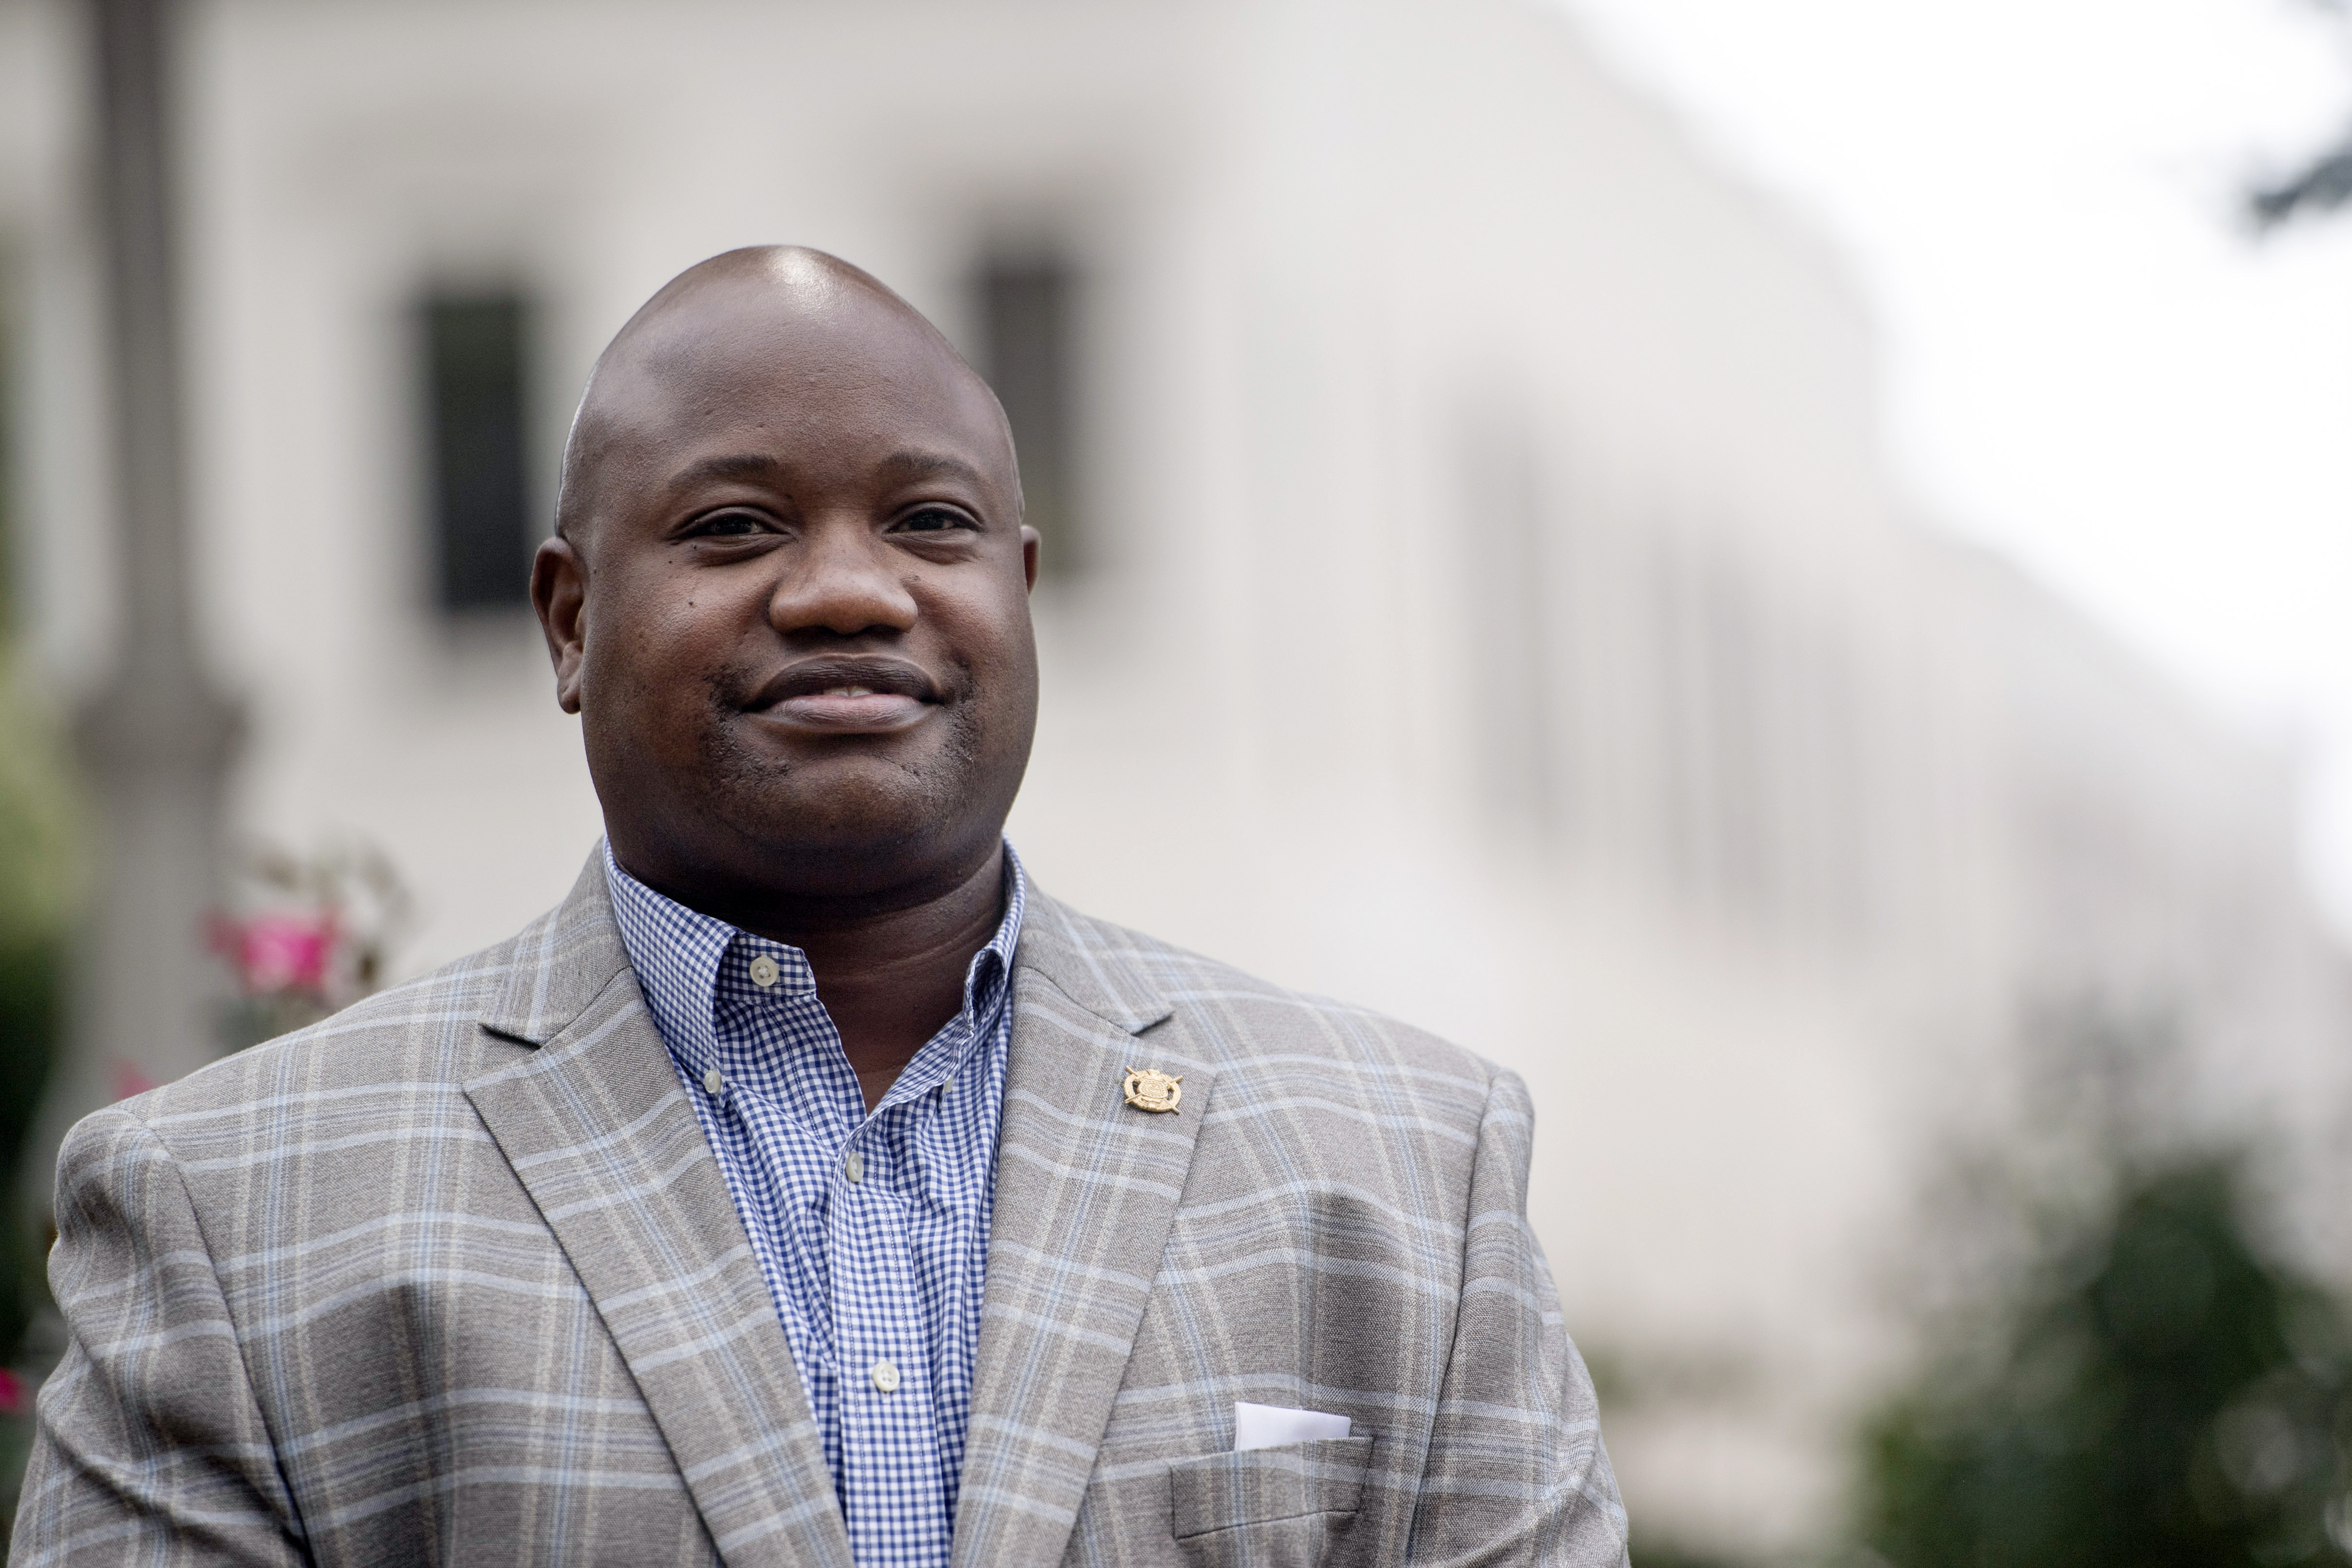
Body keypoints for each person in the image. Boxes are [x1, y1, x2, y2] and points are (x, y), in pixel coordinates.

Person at [15, 247, 1627, 1567]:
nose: (853, 589)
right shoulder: (234, 1215)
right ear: (570, 620)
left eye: (932, 521)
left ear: (1021, 588)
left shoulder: (1411, 1170)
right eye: (734, 526)